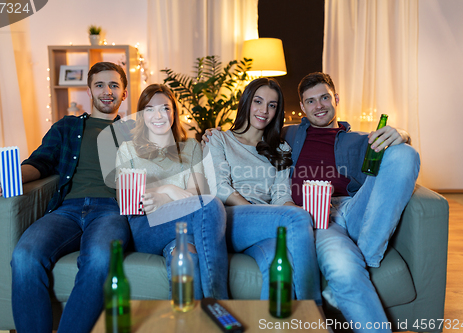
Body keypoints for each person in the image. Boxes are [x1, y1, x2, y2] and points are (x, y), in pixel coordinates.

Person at [0, 62, 132, 333]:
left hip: (110, 211)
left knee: (101, 258)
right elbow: (41, 162)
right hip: (66, 209)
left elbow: (165, 156)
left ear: (123, 93)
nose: (107, 91)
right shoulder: (68, 126)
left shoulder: (133, 131)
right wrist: (11, 176)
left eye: (114, 85)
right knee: (24, 255)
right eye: (100, 84)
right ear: (89, 90)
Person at [283, 72, 420, 332]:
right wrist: (212, 134)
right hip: (318, 218)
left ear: (335, 99)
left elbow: (395, 166)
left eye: (324, 97)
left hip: (355, 209)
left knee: (405, 153)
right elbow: (248, 134)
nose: (319, 105)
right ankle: (361, 259)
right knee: (345, 269)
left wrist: (401, 134)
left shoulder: (359, 138)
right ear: (302, 107)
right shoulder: (287, 134)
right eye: (310, 101)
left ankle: (366, 253)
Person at [202, 78, 321, 303]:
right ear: (246, 102)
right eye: (258, 101)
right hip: (230, 220)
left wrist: (295, 210)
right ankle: (313, 317)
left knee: (281, 265)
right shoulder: (217, 139)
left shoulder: (281, 148)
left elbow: (281, 195)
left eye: (272, 105)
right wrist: (265, 213)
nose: (264, 110)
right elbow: (220, 188)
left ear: (277, 111)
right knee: (297, 219)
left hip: (266, 225)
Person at [115, 84, 228, 300]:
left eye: (165, 108)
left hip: (182, 229)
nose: (158, 115)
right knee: (211, 205)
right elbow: (128, 198)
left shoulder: (191, 147)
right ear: (141, 115)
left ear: (174, 112)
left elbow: (194, 193)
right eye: (149, 109)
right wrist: (169, 189)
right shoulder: (128, 149)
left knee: (188, 258)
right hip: (145, 228)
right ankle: (219, 302)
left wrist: (161, 196)